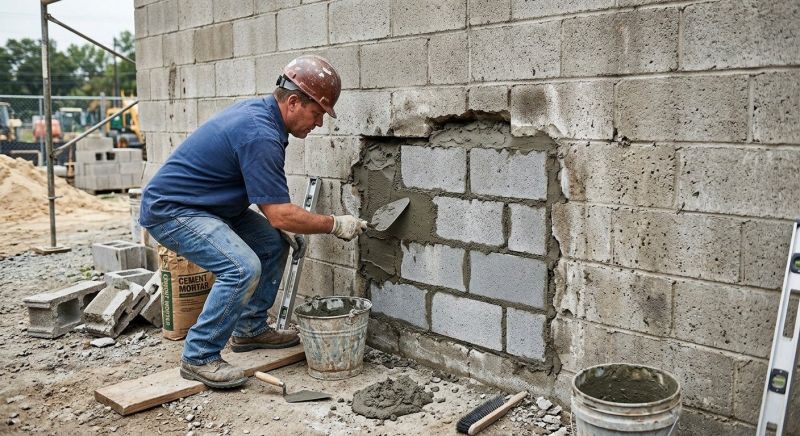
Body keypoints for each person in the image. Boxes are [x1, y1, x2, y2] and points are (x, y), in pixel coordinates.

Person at [139, 55, 367, 389]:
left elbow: (270, 206)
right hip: (174, 211)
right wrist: (335, 223)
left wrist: (285, 223)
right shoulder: (259, 133)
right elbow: (278, 213)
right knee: (242, 267)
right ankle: (199, 356)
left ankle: (249, 329)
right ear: (292, 102)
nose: (318, 123)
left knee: (272, 244)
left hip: (211, 207)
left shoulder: (265, 119)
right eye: (317, 113)